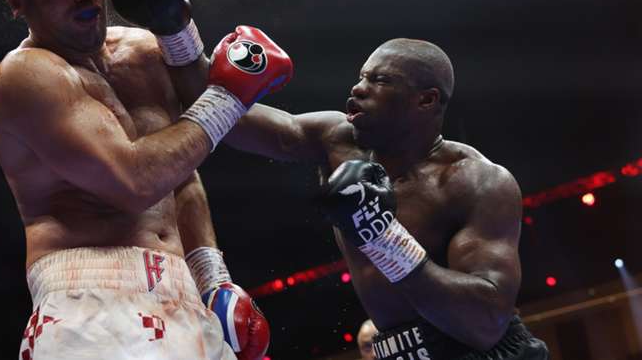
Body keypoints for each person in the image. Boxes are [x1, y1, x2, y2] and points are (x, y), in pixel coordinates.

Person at [0, 0, 292, 359]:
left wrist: (213, 279)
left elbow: (180, 172)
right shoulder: (25, 77)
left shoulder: (143, 51)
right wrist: (228, 96)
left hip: (182, 292)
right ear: (16, 0)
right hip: (89, 300)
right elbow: (136, 181)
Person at [172, 37, 549, 359]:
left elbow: (484, 323)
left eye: (380, 80)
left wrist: (382, 235)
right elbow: (228, 119)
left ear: (426, 100)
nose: (359, 88)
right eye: (362, 76)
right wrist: (177, 33)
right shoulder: (338, 140)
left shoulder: (477, 181)